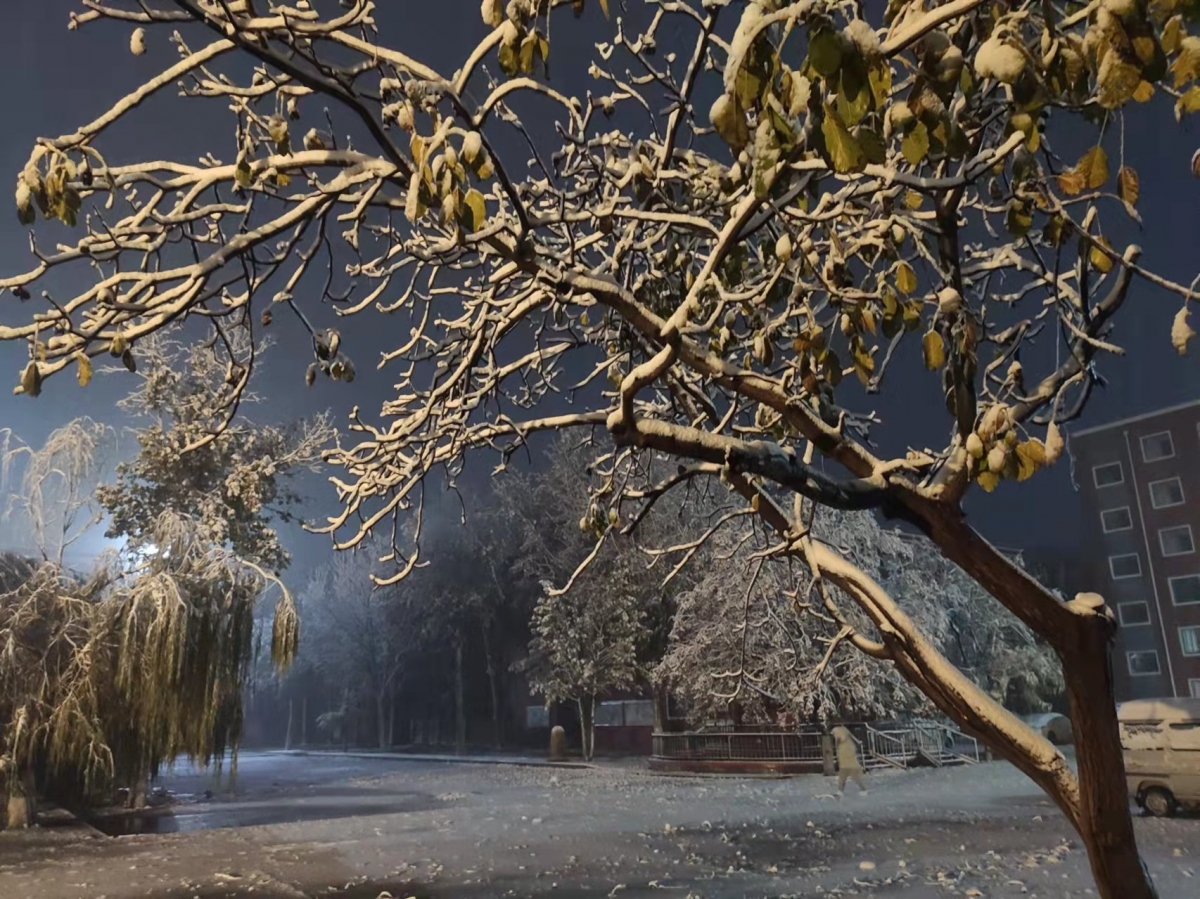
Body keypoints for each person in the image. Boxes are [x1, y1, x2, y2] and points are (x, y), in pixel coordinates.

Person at [830, 725, 868, 795]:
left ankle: (863, 790)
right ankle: (840, 791)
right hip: (845, 764)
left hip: (850, 764)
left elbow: (849, 753)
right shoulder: (843, 743)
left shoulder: (847, 743)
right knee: (842, 778)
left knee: (855, 777)